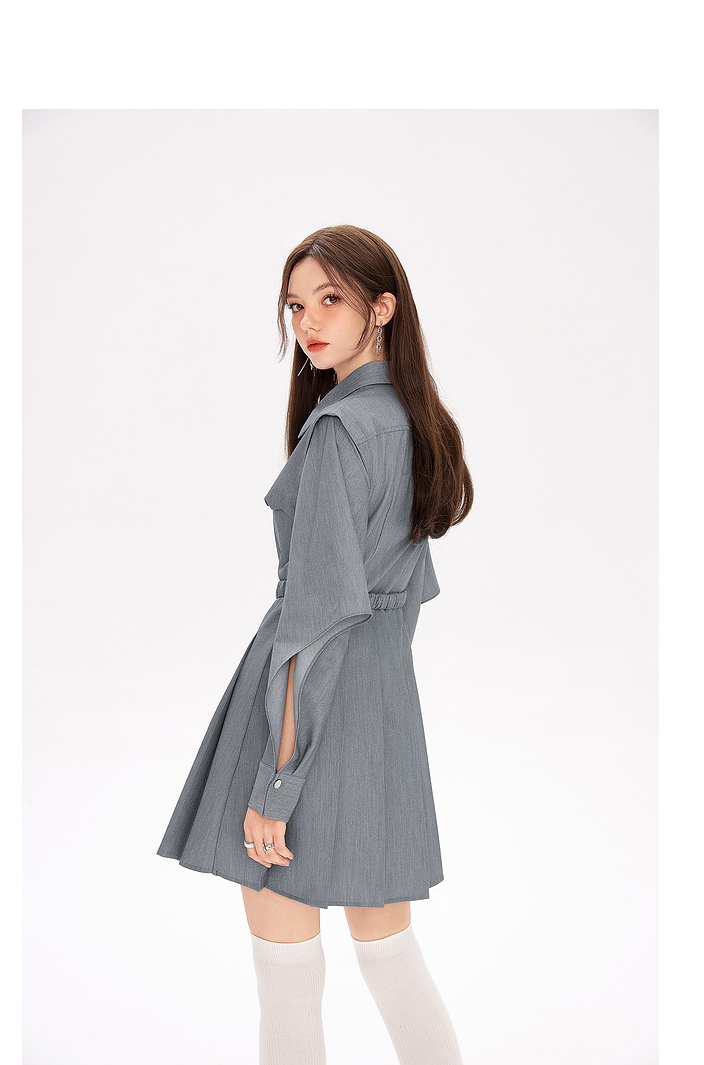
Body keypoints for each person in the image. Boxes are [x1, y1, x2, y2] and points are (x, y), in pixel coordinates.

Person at [157, 224, 473, 1063]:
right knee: (391, 955)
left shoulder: (339, 432)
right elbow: (401, 602)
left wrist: (277, 778)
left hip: (301, 718)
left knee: (287, 975)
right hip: (381, 716)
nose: (308, 321)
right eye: (296, 305)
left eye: (331, 299)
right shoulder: (413, 421)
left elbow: (315, 623)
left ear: (383, 307)